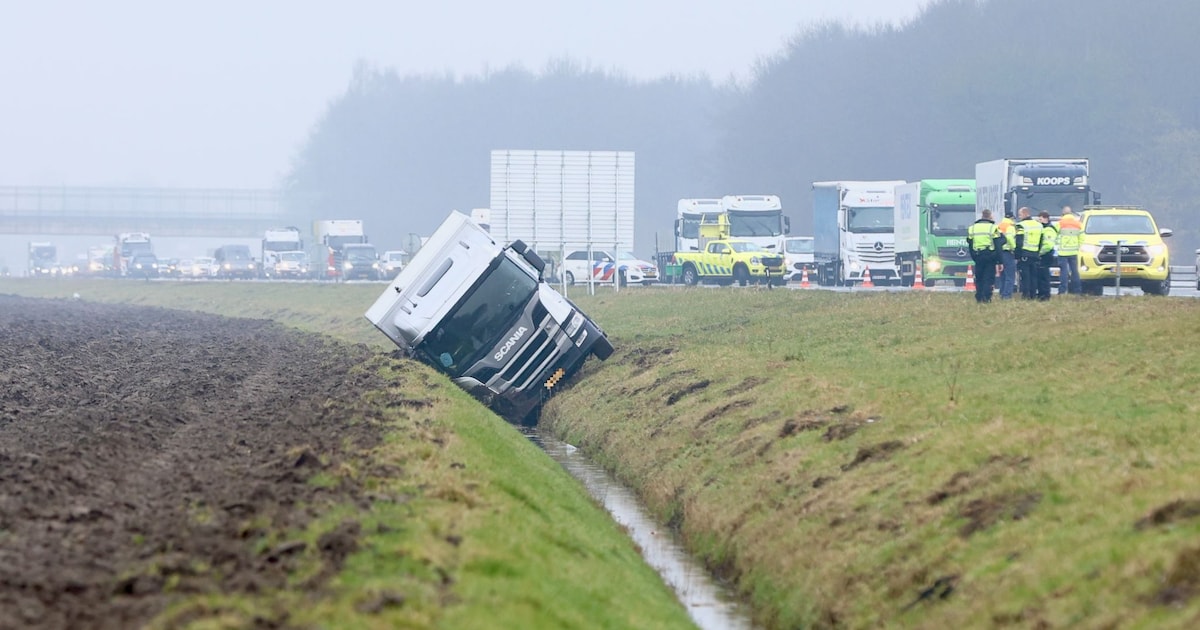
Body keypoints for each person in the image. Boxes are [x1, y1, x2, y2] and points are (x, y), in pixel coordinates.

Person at [967, 209, 1003, 303]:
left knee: (979, 277)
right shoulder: (993, 227)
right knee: (988, 278)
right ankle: (986, 298)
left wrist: (974, 256)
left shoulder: (973, 228)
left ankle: (979, 297)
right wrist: (1000, 261)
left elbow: (970, 244)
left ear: (982, 216)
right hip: (990, 256)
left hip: (978, 256)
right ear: (990, 216)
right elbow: (998, 245)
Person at [1014, 207, 1042, 300]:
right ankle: (1033, 295)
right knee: (1034, 276)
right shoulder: (1039, 225)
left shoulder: (1020, 225)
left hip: (1024, 254)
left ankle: (1026, 295)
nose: (1019, 216)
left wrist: (1017, 255)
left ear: (1025, 214)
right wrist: (1038, 252)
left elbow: (1019, 242)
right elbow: (1041, 241)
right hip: (1035, 254)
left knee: (1025, 277)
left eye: (1020, 214)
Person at [1056, 206, 1082, 294]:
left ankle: (1062, 290)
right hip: (1074, 251)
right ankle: (1077, 290)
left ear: (1062, 214)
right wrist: (1078, 246)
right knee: (1075, 271)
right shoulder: (1078, 223)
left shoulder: (1060, 223)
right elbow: (1082, 237)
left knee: (1063, 272)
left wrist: (1057, 244)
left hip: (1063, 251)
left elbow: (1054, 235)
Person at [995, 209, 1018, 299]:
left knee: (1003, 275)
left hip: (1000, 252)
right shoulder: (1010, 226)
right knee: (1010, 275)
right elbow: (1010, 238)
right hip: (1008, 252)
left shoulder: (999, 225)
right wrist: (1014, 248)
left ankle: (1002, 292)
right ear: (1012, 218)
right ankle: (1007, 295)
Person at [1037, 211, 1058, 301]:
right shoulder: (1044, 228)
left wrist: (1040, 253)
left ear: (1046, 218)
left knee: (1044, 276)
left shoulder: (1049, 229)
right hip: (1044, 254)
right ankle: (1042, 293)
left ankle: (1045, 295)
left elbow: (1048, 245)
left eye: (1040, 219)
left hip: (1046, 255)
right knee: (1041, 276)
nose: (1039, 221)